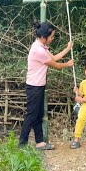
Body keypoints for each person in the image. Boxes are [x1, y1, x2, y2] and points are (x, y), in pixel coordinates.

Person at [19, 21, 74, 150]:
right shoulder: (38, 50)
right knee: (32, 115)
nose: (52, 39)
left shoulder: (41, 46)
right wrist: (68, 64)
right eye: (51, 37)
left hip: (38, 85)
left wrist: (67, 48)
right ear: (44, 37)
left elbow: (54, 58)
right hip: (34, 87)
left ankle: (39, 142)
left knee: (38, 115)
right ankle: (22, 144)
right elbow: (57, 65)